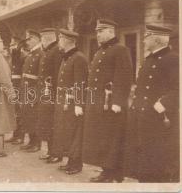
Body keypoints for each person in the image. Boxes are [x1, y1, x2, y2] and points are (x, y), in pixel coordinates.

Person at [124, 25, 179, 182]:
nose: (143, 40)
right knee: (144, 158)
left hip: (159, 117)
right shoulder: (149, 59)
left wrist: (164, 103)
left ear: (156, 39)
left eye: (146, 37)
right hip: (142, 116)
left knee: (157, 161)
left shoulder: (173, 59)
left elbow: (178, 88)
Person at [82, 19, 133, 182]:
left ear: (111, 31)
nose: (97, 35)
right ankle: (107, 170)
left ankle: (111, 173)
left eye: (100, 31)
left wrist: (117, 102)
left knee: (111, 138)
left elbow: (124, 77)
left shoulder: (120, 50)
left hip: (111, 103)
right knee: (102, 137)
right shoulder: (99, 51)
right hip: (99, 102)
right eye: (97, 32)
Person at [50, 29, 88, 168]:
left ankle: (76, 163)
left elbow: (81, 83)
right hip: (63, 101)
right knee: (65, 131)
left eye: (60, 39)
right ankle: (70, 160)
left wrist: (78, 104)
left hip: (72, 102)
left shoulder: (79, 58)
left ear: (67, 41)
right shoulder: (67, 57)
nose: (59, 42)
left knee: (74, 132)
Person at [36, 28, 62, 161]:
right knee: (47, 122)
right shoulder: (48, 52)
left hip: (51, 93)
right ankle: (51, 151)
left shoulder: (56, 51)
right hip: (45, 93)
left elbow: (58, 74)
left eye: (42, 39)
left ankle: (56, 153)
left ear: (47, 39)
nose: (41, 42)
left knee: (53, 123)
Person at [20, 29, 44, 153]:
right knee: (28, 116)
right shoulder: (31, 54)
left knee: (34, 116)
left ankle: (36, 143)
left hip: (34, 89)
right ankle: (31, 141)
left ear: (37, 39)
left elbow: (41, 75)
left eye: (30, 39)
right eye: (27, 39)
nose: (28, 42)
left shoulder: (40, 53)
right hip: (26, 88)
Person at [5, 36, 26, 145]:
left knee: (19, 112)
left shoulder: (23, 57)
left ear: (18, 45)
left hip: (19, 86)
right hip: (13, 85)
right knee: (14, 112)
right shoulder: (13, 57)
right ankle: (15, 134)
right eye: (10, 44)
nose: (10, 46)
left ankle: (20, 136)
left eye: (13, 44)